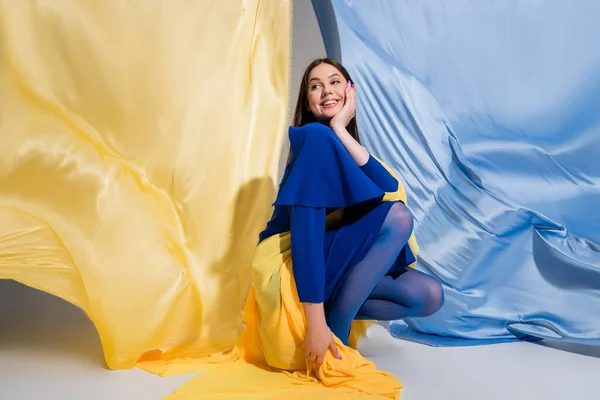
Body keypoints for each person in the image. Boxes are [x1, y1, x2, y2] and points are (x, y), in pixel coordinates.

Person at [257, 58, 444, 372]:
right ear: (307, 100)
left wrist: (341, 129)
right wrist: (314, 323)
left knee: (428, 295)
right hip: (291, 263)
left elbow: (387, 186)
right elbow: (307, 235)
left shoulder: (335, 139)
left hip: (329, 259)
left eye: (334, 82)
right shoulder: (314, 139)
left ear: (349, 90)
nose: (326, 91)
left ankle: (335, 317)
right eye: (315, 86)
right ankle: (335, 335)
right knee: (397, 218)